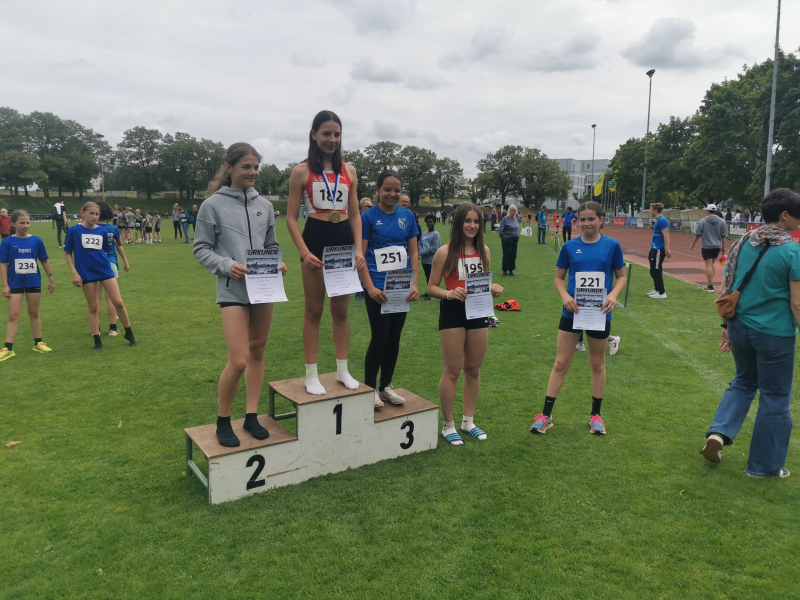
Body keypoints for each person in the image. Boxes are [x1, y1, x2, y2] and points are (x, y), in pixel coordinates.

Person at [702, 188, 800, 479]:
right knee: (775, 397)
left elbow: (727, 287)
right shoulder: (792, 250)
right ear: (785, 215)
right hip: (775, 334)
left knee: (743, 382)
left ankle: (719, 433)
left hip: (739, 326)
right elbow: (797, 302)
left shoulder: (743, 242)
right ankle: (764, 467)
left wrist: (725, 327)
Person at [194, 142, 287, 448]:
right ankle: (223, 420)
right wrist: (227, 265)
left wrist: (277, 262)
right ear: (229, 167)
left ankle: (251, 415)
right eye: (246, 166)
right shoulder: (212, 205)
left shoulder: (266, 206)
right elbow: (201, 249)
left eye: (256, 167)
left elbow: (271, 245)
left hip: (264, 288)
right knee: (238, 360)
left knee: (258, 351)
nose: (253, 172)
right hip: (232, 290)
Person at [286, 110, 366, 395]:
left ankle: (342, 370)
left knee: (341, 311)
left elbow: (354, 215)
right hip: (315, 242)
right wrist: (305, 252)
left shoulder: (349, 171)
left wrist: (358, 249)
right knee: (314, 311)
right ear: (314, 135)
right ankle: (311, 374)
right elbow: (291, 218)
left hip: (343, 242)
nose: (332, 139)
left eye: (337, 134)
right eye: (326, 133)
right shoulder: (302, 171)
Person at [530, 201, 626, 436]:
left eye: (591, 219)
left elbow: (621, 276)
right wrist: (565, 296)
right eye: (582, 219)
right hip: (572, 311)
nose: (586, 223)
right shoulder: (569, 247)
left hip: (599, 312)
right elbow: (559, 278)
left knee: (597, 363)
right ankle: (546, 415)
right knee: (561, 363)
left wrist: (613, 294)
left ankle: (596, 416)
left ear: (601, 220)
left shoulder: (612, 246)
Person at [427, 203, 504, 445]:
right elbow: (431, 288)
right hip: (452, 312)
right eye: (468, 221)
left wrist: (493, 288)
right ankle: (448, 425)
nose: (472, 225)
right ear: (459, 223)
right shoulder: (445, 252)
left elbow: (483, 283)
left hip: (479, 311)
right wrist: (448, 293)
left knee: (474, 369)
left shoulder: (484, 251)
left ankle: (468, 421)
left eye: (476, 221)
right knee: (452, 370)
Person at [358, 169, 420, 407]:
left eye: (397, 190)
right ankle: (369, 389)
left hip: (400, 287)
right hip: (378, 288)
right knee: (380, 337)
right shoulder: (367, 217)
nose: (392, 194)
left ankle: (385, 387)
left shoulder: (408, 216)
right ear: (377, 190)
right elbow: (361, 255)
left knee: (394, 337)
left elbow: (413, 252)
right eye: (387, 189)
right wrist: (369, 288)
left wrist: (414, 283)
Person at [64, 201, 137, 351]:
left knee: (118, 302)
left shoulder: (102, 231)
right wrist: (74, 273)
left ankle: (129, 333)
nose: (94, 216)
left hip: (104, 270)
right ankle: (97, 340)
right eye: (91, 213)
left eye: (97, 214)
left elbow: (103, 251)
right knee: (93, 307)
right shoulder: (74, 230)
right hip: (86, 273)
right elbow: (68, 253)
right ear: (83, 213)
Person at [0, 210, 56, 361]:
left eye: (28, 223)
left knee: (34, 313)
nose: (26, 225)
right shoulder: (7, 242)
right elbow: (3, 265)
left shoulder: (36, 241)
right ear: (13, 224)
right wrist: (5, 285)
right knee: (13, 315)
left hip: (33, 282)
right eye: (22, 223)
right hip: (14, 283)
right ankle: (8, 348)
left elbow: (44, 260)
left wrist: (51, 279)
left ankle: (38, 343)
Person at [96, 201, 130, 336]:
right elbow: (119, 246)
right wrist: (125, 262)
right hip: (111, 263)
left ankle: (96, 329)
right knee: (111, 298)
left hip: (94, 264)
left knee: (96, 298)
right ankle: (113, 328)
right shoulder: (113, 229)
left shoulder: (90, 228)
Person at [690, 203, 727, 293]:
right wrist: (723, 247)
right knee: (712, 264)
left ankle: (710, 286)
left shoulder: (703, 221)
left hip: (707, 246)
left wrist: (693, 244)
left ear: (707, 211)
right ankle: (711, 282)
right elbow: (723, 235)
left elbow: (698, 234)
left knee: (709, 265)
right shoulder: (722, 221)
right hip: (717, 246)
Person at [647, 203, 671, 299]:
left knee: (656, 270)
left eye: (651, 209)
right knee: (653, 270)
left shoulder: (662, 220)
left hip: (659, 249)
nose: (650, 211)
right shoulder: (658, 220)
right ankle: (657, 289)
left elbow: (666, 234)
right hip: (655, 248)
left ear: (656, 210)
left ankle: (662, 292)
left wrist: (666, 249)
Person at [420, 214, 441, 300]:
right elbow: (419, 244)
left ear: (434, 222)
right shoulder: (424, 234)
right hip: (424, 260)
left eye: (430, 222)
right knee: (427, 276)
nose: (429, 224)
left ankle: (433, 295)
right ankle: (429, 292)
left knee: (432, 277)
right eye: (427, 222)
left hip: (432, 260)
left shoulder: (436, 234)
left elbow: (435, 248)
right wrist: (421, 251)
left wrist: (424, 252)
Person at [498, 204, 520, 276]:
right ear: (509, 211)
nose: (513, 211)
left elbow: (516, 228)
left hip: (514, 239)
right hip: (507, 239)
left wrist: (517, 236)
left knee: (513, 255)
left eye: (514, 210)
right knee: (507, 255)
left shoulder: (516, 219)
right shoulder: (505, 219)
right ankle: (505, 270)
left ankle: (511, 270)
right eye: (512, 210)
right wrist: (504, 238)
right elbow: (500, 230)